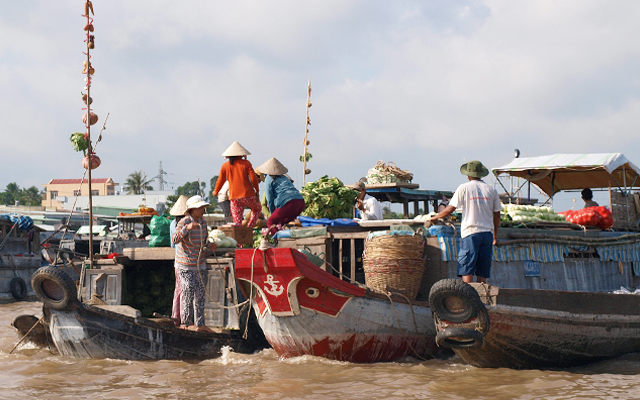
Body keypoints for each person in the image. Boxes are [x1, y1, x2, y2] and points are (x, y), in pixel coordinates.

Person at [430, 160, 501, 284]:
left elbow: (450, 208)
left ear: (468, 174)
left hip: (471, 232)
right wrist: (495, 235)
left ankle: (467, 296)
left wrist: (435, 217)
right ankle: (481, 296)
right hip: (487, 234)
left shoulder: (464, 188)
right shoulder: (491, 190)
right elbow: (497, 214)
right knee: (482, 267)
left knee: (467, 266)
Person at [171, 195, 217, 333]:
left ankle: (200, 324)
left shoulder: (203, 223)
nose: (203, 210)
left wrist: (210, 245)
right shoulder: (183, 222)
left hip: (199, 263)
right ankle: (185, 322)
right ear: (192, 209)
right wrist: (187, 229)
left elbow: (204, 241)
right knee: (188, 290)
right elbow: (175, 239)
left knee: (200, 293)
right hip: (185, 265)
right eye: (200, 208)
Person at [212, 141, 262, 227]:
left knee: (237, 222)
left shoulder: (225, 166)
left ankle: (239, 236)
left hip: (234, 198)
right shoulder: (246, 163)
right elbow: (253, 179)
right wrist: (257, 191)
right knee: (257, 208)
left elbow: (220, 180)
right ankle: (250, 227)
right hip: (248, 195)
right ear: (241, 154)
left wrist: (216, 191)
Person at [257, 158, 306, 236]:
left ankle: (278, 241)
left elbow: (270, 200)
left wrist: (273, 214)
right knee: (284, 222)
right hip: (301, 202)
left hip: (289, 203)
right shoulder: (284, 177)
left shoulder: (268, 179)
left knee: (270, 222)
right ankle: (289, 239)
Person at [168, 195, 188, 325]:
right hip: (184, 262)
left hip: (178, 261)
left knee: (179, 290)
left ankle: (177, 317)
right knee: (184, 291)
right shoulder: (185, 225)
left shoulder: (172, 224)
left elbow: (172, 245)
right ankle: (181, 318)